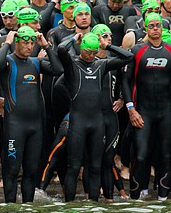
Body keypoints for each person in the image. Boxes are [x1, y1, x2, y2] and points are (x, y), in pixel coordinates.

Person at [0, 26, 63, 203]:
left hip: (35, 126)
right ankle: (10, 209)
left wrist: (46, 46)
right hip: (15, 125)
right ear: (17, 42)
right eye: (25, 42)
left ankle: (28, 209)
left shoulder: (35, 63)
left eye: (32, 43)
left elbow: (58, 69)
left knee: (31, 170)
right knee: (12, 170)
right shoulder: (8, 61)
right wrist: (7, 42)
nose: (29, 46)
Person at [57, 32, 132, 201]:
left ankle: (93, 204)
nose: (91, 56)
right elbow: (61, 49)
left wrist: (108, 46)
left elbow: (129, 57)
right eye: (88, 52)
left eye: (94, 52)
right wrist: (74, 39)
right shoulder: (72, 64)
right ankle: (69, 204)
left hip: (97, 123)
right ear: (81, 49)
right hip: (78, 122)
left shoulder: (101, 64)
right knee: (74, 167)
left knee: (96, 166)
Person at [122, 12, 171, 200]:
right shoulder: (137, 51)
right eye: (151, 26)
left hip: (166, 110)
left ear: (163, 28)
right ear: (146, 29)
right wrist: (131, 109)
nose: (155, 29)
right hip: (143, 111)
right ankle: (137, 195)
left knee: (166, 155)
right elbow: (125, 82)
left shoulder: (169, 50)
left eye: (158, 25)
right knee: (141, 156)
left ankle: (163, 198)